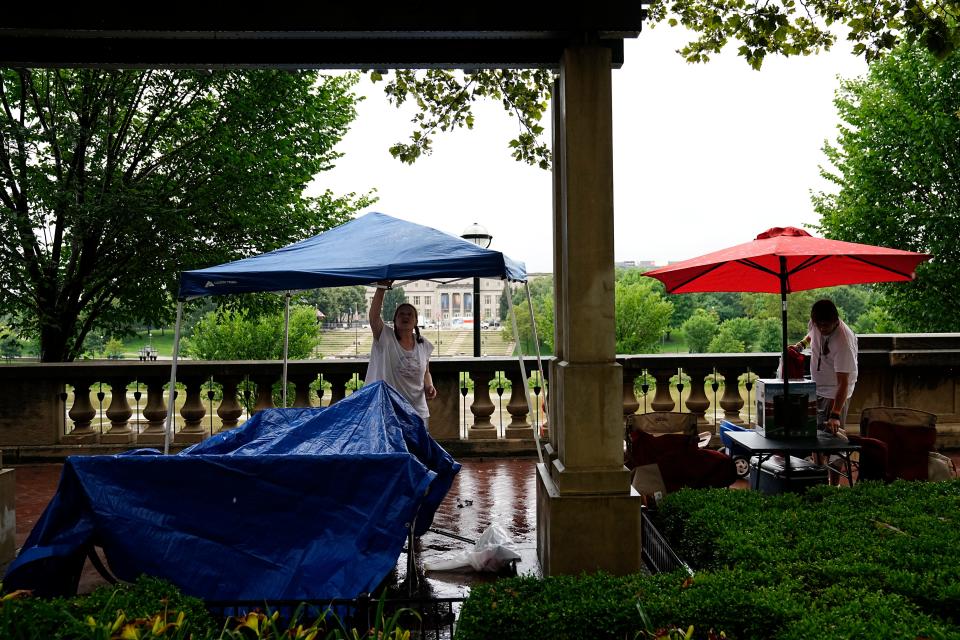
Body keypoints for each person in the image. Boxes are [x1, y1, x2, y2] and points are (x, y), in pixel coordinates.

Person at [365, 280, 437, 425]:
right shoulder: (385, 337)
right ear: (395, 320)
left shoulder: (423, 344)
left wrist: (429, 385)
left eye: (410, 314)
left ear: (416, 321)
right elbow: (374, 317)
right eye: (401, 314)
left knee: (418, 448)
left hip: (418, 412)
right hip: (390, 411)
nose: (406, 316)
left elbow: (426, 372)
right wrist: (381, 288)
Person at [789, 299, 858, 435]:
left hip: (834, 393)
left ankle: (831, 457)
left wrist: (835, 415)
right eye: (818, 325)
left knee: (830, 439)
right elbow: (812, 333)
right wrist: (802, 344)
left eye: (825, 326)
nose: (822, 329)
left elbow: (843, 383)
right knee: (814, 434)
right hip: (817, 388)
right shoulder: (816, 323)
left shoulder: (843, 343)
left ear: (835, 320)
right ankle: (817, 457)